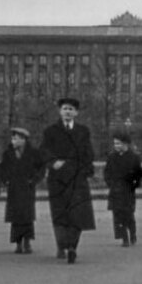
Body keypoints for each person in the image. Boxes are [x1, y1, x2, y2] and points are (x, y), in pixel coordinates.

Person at [40, 98, 96, 264]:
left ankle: (72, 247)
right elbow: (43, 150)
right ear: (60, 111)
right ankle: (61, 244)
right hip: (58, 178)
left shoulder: (83, 131)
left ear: (76, 113)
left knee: (78, 213)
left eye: (71, 109)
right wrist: (52, 162)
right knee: (60, 213)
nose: (68, 112)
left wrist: (84, 169)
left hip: (77, 178)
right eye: (65, 108)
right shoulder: (50, 131)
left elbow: (88, 153)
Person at [0, 127, 45, 254]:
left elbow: (41, 168)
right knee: (15, 216)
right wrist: (5, 180)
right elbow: (2, 168)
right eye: (13, 138)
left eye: (16, 139)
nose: (13, 141)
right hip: (14, 188)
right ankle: (18, 243)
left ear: (23, 140)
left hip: (27, 188)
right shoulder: (8, 153)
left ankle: (27, 241)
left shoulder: (33, 153)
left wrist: (34, 180)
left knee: (27, 216)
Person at [104, 133, 142, 247]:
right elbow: (107, 172)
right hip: (115, 190)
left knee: (128, 214)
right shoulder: (111, 157)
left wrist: (134, 185)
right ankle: (124, 237)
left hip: (128, 190)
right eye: (115, 143)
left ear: (125, 144)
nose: (116, 146)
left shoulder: (134, 157)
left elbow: (138, 174)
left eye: (118, 143)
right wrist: (110, 183)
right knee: (117, 215)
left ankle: (132, 233)